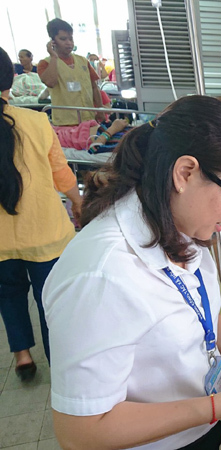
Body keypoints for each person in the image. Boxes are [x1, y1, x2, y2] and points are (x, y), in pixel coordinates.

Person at [42, 94, 221, 450]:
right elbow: (81, 432)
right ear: (185, 173)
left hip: (201, 429)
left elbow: (197, 318)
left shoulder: (181, 228)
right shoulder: (102, 274)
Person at [0, 46, 82, 381]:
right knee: (50, 297)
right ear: (9, 80)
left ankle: (22, 356)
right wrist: (78, 202)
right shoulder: (35, 121)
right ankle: (58, 358)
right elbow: (61, 173)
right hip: (44, 230)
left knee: (9, 294)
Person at [38, 18, 104, 125]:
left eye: (71, 39)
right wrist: (54, 57)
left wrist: (100, 108)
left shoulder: (82, 61)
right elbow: (50, 82)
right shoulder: (46, 63)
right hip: (65, 123)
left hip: (89, 119)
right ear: (52, 41)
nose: (69, 43)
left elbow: (94, 87)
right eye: (63, 39)